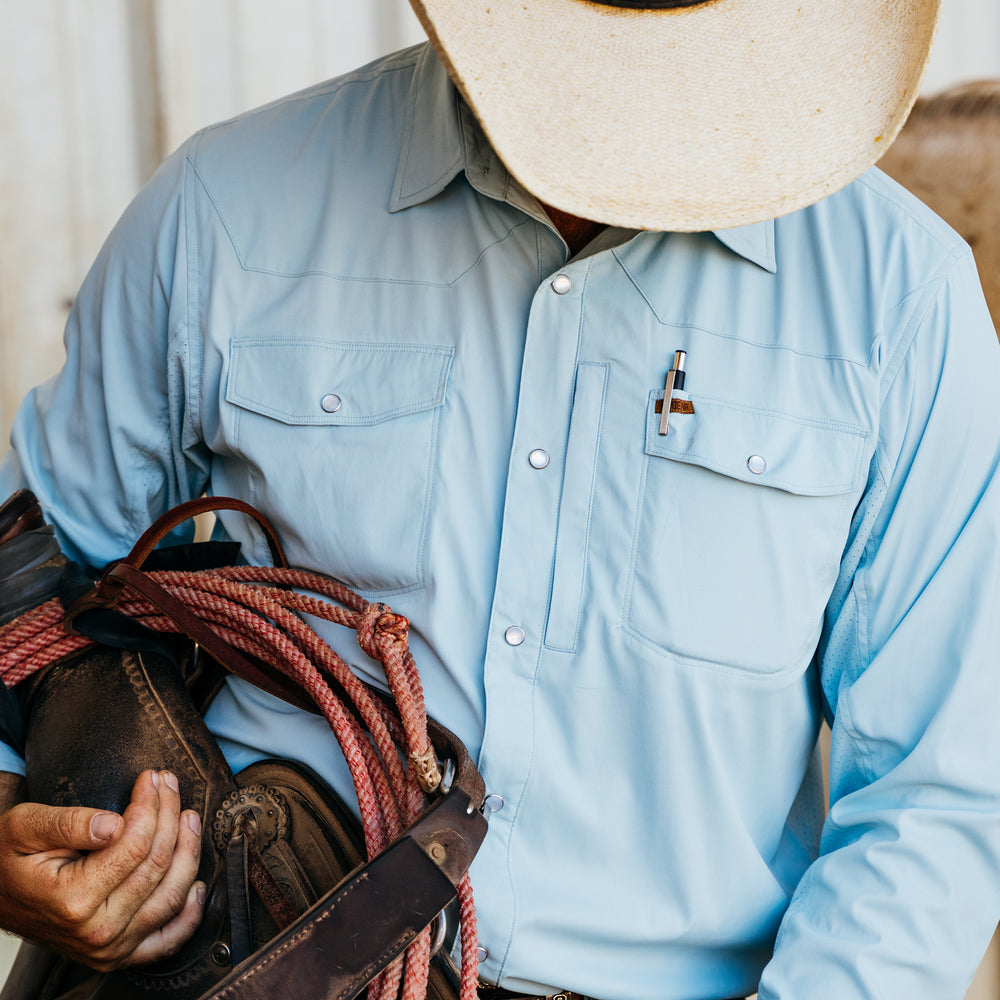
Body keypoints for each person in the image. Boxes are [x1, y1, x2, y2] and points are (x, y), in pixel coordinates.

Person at [1, 1, 1000, 998]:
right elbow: (30, 576)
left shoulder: (900, 302)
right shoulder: (226, 211)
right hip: (264, 954)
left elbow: (938, 793)